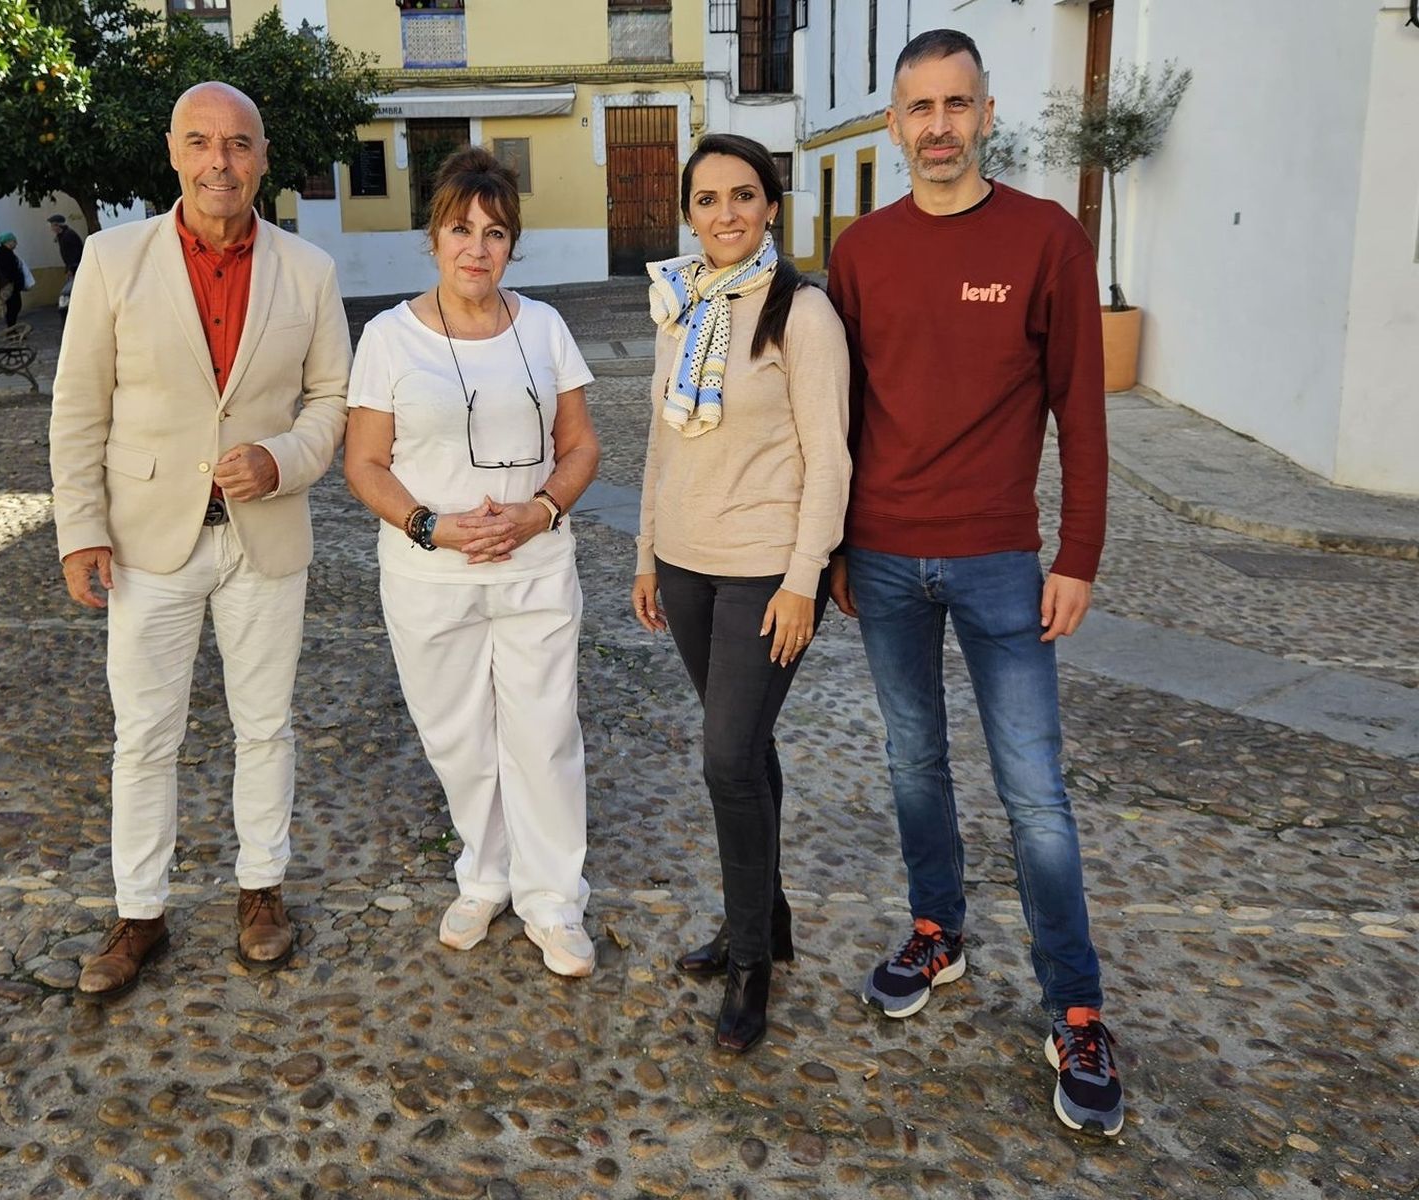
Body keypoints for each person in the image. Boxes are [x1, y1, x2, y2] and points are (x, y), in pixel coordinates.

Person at [827, 29, 1122, 1134]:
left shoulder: (1047, 239)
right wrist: (831, 553)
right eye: (920, 107)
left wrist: (1078, 552)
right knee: (912, 763)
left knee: (1035, 796)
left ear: (987, 113)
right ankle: (935, 931)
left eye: (958, 104)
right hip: (885, 559)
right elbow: (841, 414)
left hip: (1003, 563)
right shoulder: (860, 252)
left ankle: (1076, 1007)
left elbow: (1079, 410)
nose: (939, 125)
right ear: (893, 123)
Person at [49, 81, 352, 999]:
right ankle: (139, 911)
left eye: (239, 144)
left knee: (266, 727)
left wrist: (282, 458)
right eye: (201, 142)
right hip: (149, 543)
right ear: (175, 155)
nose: (220, 161)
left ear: (262, 158)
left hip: (263, 536)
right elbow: (78, 406)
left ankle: (261, 892)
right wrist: (80, 530)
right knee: (144, 735)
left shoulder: (308, 270)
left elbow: (331, 402)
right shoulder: (112, 259)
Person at [344, 147, 602, 978]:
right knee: (457, 737)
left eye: (494, 232)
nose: (476, 248)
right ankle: (485, 877)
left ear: (512, 243)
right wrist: (431, 527)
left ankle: (554, 899)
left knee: (544, 731)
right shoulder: (388, 338)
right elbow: (364, 465)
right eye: (461, 229)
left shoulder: (546, 329)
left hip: (534, 568)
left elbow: (580, 444)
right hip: (429, 575)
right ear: (434, 235)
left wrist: (539, 511)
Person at [632, 134, 850, 1053]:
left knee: (726, 760)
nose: (726, 214)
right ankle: (769, 916)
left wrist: (804, 579)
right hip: (683, 566)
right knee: (747, 750)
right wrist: (646, 554)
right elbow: (661, 441)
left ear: (771, 208)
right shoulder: (678, 305)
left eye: (744, 196)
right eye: (709, 199)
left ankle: (752, 959)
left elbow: (832, 457)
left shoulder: (803, 314)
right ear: (690, 213)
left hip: (764, 569)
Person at [48, 214, 85, 324]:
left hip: (75, 268)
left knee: (69, 292)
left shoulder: (68, 235)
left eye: (52, 225)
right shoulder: (62, 235)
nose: (51, 228)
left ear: (57, 225)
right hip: (71, 267)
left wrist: (71, 269)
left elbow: (75, 254)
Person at [0, 232, 24, 327]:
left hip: (9, 285)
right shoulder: (4, 254)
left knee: (14, 307)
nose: (16, 244)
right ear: (8, 242)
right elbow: (9, 270)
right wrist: (15, 280)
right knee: (13, 307)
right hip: (8, 285)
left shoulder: (5, 252)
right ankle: (11, 330)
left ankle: (12, 328)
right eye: (14, 241)